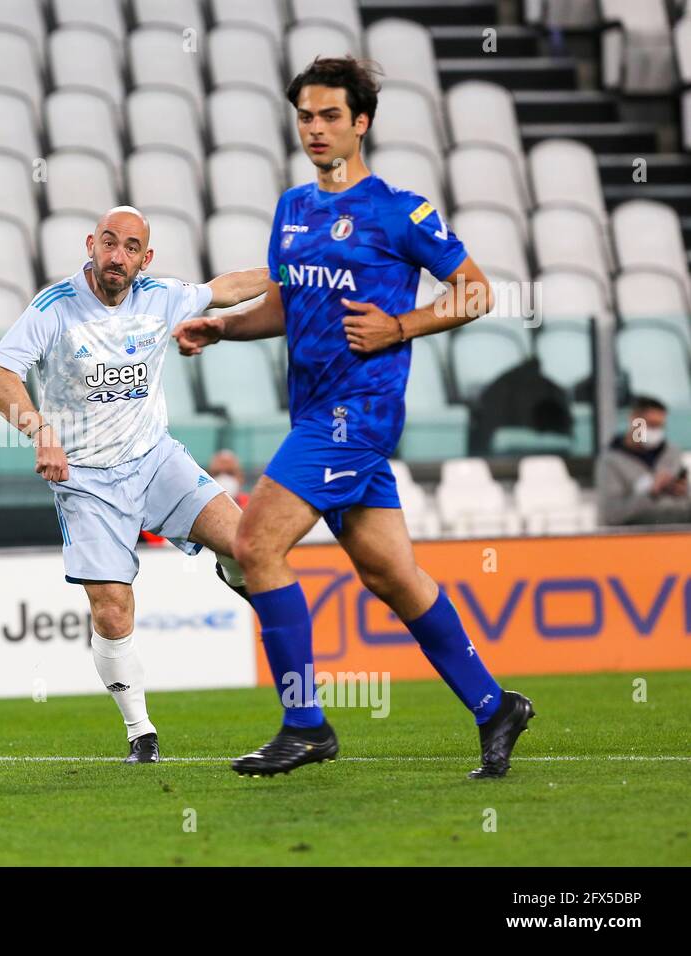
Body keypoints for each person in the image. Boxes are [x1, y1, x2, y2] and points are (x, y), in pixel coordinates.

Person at [175, 57, 535, 780]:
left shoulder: (399, 211)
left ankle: (304, 723)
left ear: (361, 122)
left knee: (255, 542)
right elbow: (285, 303)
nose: (314, 128)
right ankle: (495, 705)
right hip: (314, 410)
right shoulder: (293, 209)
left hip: (358, 415)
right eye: (305, 116)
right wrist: (224, 327)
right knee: (390, 574)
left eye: (330, 115)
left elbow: (476, 293)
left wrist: (399, 326)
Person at [0, 205, 268, 763]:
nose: (117, 256)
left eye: (130, 247)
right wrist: (40, 431)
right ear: (91, 245)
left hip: (154, 458)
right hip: (86, 477)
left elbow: (226, 289)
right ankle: (141, 732)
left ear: (145, 258)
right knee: (112, 608)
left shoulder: (160, 295)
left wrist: (288, 271)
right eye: (108, 243)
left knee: (247, 543)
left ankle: (229, 570)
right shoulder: (55, 308)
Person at [599, 397, 691, 525]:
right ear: (634, 420)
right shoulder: (610, 462)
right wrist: (651, 491)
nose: (655, 431)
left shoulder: (672, 453)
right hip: (636, 538)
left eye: (660, 426)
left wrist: (683, 491)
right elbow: (611, 515)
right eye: (651, 424)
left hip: (676, 534)